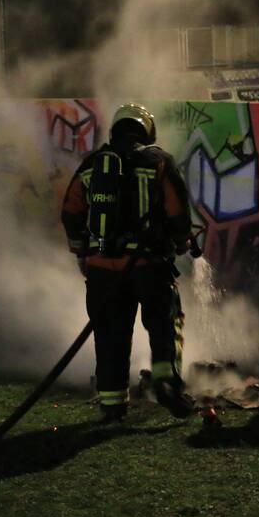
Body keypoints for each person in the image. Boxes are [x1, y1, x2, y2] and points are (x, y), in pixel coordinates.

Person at [61, 103, 195, 422]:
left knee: (109, 335)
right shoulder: (159, 162)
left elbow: (70, 212)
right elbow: (177, 212)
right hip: (148, 267)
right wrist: (180, 241)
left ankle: (111, 404)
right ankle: (166, 384)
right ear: (146, 131)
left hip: (102, 271)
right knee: (164, 325)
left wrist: (82, 252)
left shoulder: (92, 165)